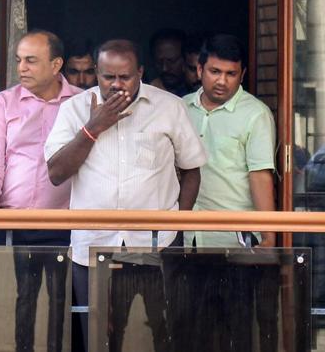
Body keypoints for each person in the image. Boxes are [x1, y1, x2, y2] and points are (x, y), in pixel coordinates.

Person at [44, 39, 207, 351]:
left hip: (156, 246)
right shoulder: (74, 109)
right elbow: (56, 173)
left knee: (163, 334)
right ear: (96, 74)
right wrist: (93, 128)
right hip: (92, 248)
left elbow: (191, 171)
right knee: (99, 339)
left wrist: (178, 225)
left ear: (140, 73)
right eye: (108, 77)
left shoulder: (169, 107)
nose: (117, 85)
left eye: (125, 77)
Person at [0, 29, 82, 352]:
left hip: (67, 226)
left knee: (64, 309)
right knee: (21, 306)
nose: (21, 68)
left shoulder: (82, 102)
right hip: (14, 226)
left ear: (56, 64)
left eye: (31, 61)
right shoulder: (3, 103)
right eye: (19, 60)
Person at [182, 34, 277, 352]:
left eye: (231, 74)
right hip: (186, 236)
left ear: (243, 75)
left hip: (234, 239)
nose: (222, 81)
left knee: (236, 327)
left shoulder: (255, 113)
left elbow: (260, 175)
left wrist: (268, 237)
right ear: (199, 69)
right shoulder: (179, 108)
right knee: (190, 325)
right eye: (214, 71)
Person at [149, 28, 189, 96]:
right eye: (159, 62)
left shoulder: (201, 93)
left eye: (172, 61)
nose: (165, 68)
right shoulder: (148, 93)